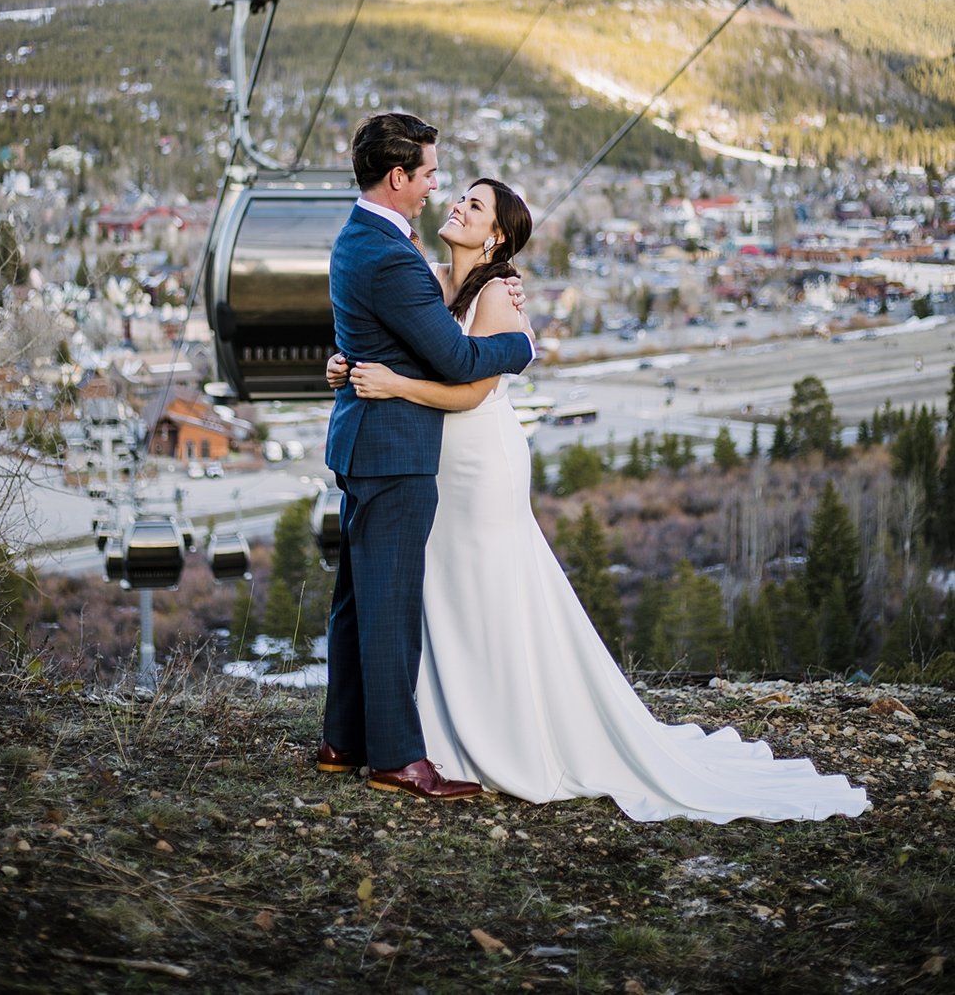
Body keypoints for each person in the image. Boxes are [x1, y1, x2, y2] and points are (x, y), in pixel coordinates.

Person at [332, 177, 870, 824]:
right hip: (439, 463)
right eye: (461, 198)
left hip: (479, 462)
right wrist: (353, 367)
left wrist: (390, 384)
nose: (457, 206)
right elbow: (408, 346)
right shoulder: (439, 286)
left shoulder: (498, 294)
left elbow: (471, 393)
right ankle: (450, 732)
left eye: (474, 205)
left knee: (489, 591)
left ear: (497, 235)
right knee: (447, 595)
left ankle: (506, 736)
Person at [319, 113, 535, 803]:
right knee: (387, 605)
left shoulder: (368, 239)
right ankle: (396, 759)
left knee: (357, 600)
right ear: (397, 178)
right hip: (395, 446)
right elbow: (457, 358)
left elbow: (387, 327)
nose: (438, 188)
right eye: (432, 176)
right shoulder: (390, 254)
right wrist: (521, 348)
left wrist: (353, 360)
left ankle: (343, 740)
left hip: (369, 440)